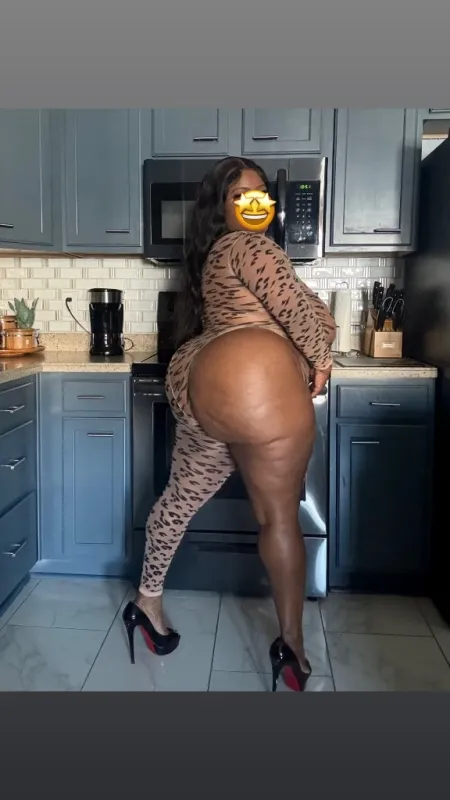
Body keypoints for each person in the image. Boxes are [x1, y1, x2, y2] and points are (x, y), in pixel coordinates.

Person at [123, 156, 336, 691]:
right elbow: (304, 318)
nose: (254, 202)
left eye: (261, 193)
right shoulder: (251, 246)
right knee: (278, 518)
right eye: (241, 195)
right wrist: (322, 358)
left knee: (179, 498)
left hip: (201, 382)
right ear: (223, 208)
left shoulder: (212, 261)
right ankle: (291, 648)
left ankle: (146, 601)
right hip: (255, 380)